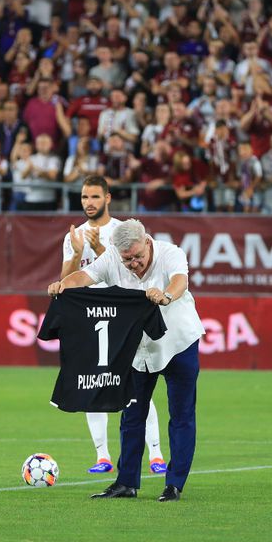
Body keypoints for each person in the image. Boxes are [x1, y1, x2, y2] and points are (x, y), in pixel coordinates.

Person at [48, 219, 204, 502]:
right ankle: (126, 482)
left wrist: (166, 295)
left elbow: (180, 281)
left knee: (181, 415)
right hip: (139, 348)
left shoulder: (171, 252)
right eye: (127, 259)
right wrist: (63, 285)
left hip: (179, 344)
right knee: (131, 415)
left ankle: (174, 484)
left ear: (147, 242)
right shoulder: (112, 258)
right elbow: (85, 276)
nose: (133, 263)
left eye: (137, 257)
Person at [59, 176, 166, 475]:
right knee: (93, 382)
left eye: (94, 197)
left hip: (121, 316)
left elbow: (128, 273)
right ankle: (102, 456)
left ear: (107, 197)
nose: (88, 203)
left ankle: (155, 454)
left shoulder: (123, 231)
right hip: (89, 317)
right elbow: (65, 279)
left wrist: (101, 250)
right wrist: (80, 253)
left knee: (136, 383)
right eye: (83, 198)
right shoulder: (73, 236)